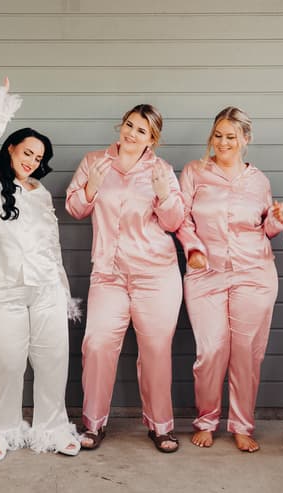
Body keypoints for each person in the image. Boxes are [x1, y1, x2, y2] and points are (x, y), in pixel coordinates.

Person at [0, 75, 80, 461]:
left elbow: (51, 247)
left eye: (38, 157)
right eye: (27, 152)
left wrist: (62, 291)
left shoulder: (42, 193)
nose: (32, 161)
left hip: (45, 286)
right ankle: (0, 429)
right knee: (8, 362)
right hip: (1, 286)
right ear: (12, 148)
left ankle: (52, 428)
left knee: (53, 360)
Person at [66, 104, 185, 453]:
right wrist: (91, 187)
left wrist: (164, 194)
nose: (132, 134)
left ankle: (161, 427)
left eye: (142, 131)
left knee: (156, 350)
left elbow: (174, 221)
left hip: (156, 274)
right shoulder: (94, 161)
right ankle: (93, 424)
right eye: (130, 125)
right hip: (108, 273)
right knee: (98, 344)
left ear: (153, 139)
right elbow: (75, 208)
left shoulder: (161, 169)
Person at [175, 107, 283, 453]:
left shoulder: (259, 181)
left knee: (246, 353)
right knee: (211, 350)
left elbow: (264, 229)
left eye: (231, 136)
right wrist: (192, 248)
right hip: (205, 273)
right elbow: (181, 219)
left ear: (245, 139)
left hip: (254, 274)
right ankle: (207, 420)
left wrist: (278, 220)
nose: (223, 142)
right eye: (219, 135)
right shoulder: (194, 172)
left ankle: (241, 425)